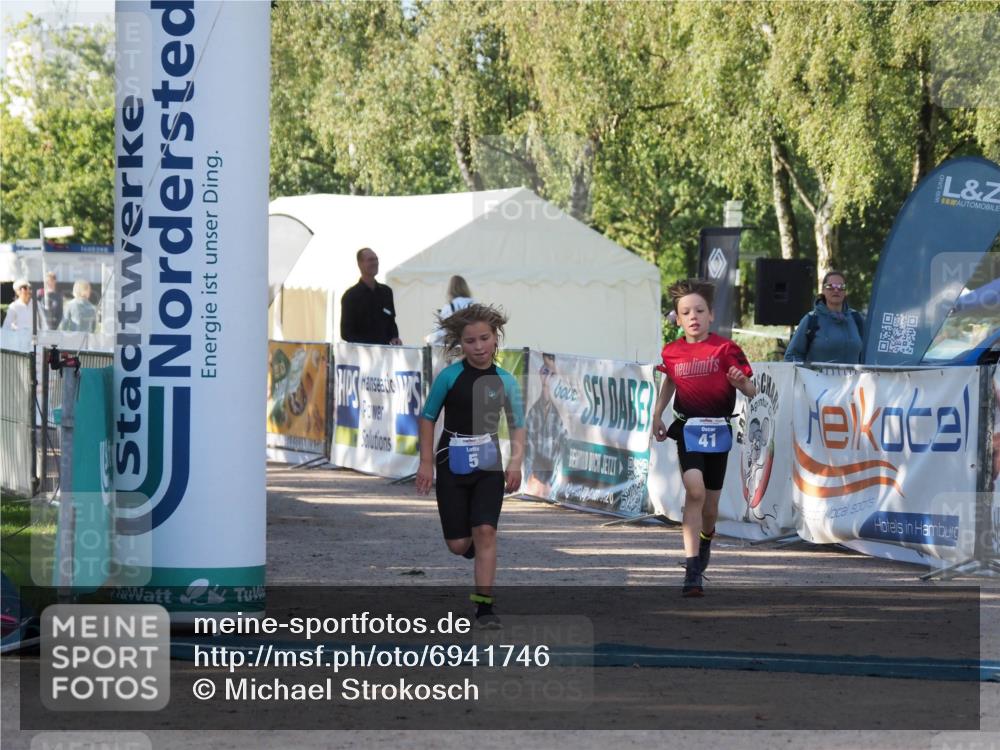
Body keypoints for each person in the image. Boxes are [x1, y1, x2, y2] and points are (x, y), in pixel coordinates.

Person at [415, 303, 526, 629]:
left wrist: (516, 462)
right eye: (470, 341)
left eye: (484, 339)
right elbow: (428, 418)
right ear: (460, 343)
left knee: (486, 531)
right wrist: (425, 463)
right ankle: (472, 544)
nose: (478, 347)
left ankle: (484, 607)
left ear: (496, 339)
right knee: (459, 545)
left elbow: (517, 424)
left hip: (488, 466)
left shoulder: (505, 381)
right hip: (452, 462)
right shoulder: (450, 377)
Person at [651, 279, 756, 597]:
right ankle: (692, 568)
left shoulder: (726, 349)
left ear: (711, 315)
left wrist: (741, 384)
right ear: (677, 319)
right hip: (688, 429)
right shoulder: (672, 351)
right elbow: (670, 381)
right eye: (686, 312)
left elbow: (752, 389)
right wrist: (657, 414)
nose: (693, 317)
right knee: (694, 490)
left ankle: (706, 537)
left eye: (699, 310)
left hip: (719, 430)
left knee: (710, 507)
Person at [784, 270, 865, 364]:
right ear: (823, 290)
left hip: (853, 374)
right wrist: (809, 371)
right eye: (830, 287)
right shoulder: (811, 320)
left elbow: (867, 354)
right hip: (815, 374)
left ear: (845, 291)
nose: (836, 290)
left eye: (841, 287)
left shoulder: (856, 318)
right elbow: (791, 356)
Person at [523, 353, 569, 497]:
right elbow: (528, 451)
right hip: (534, 482)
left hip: (551, 483)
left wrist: (553, 487)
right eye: (544, 371)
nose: (547, 377)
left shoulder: (561, 414)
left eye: (551, 373)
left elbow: (562, 454)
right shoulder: (533, 412)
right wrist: (528, 480)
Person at [340, 247, 401, 345]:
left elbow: (391, 322)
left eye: (376, 259)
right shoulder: (350, 296)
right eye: (370, 260)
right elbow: (346, 333)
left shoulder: (386, 292)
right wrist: (368, 346)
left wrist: (395, 337)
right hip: (361, 352)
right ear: (360, 264)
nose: (375, 263)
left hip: (385, 351)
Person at [426, 275, 474, 345]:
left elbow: (443, 329)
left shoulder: (450, 306)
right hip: (472, 343)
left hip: (456, 345)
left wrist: (431, 338)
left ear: (451, 289)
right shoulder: (474, 303)